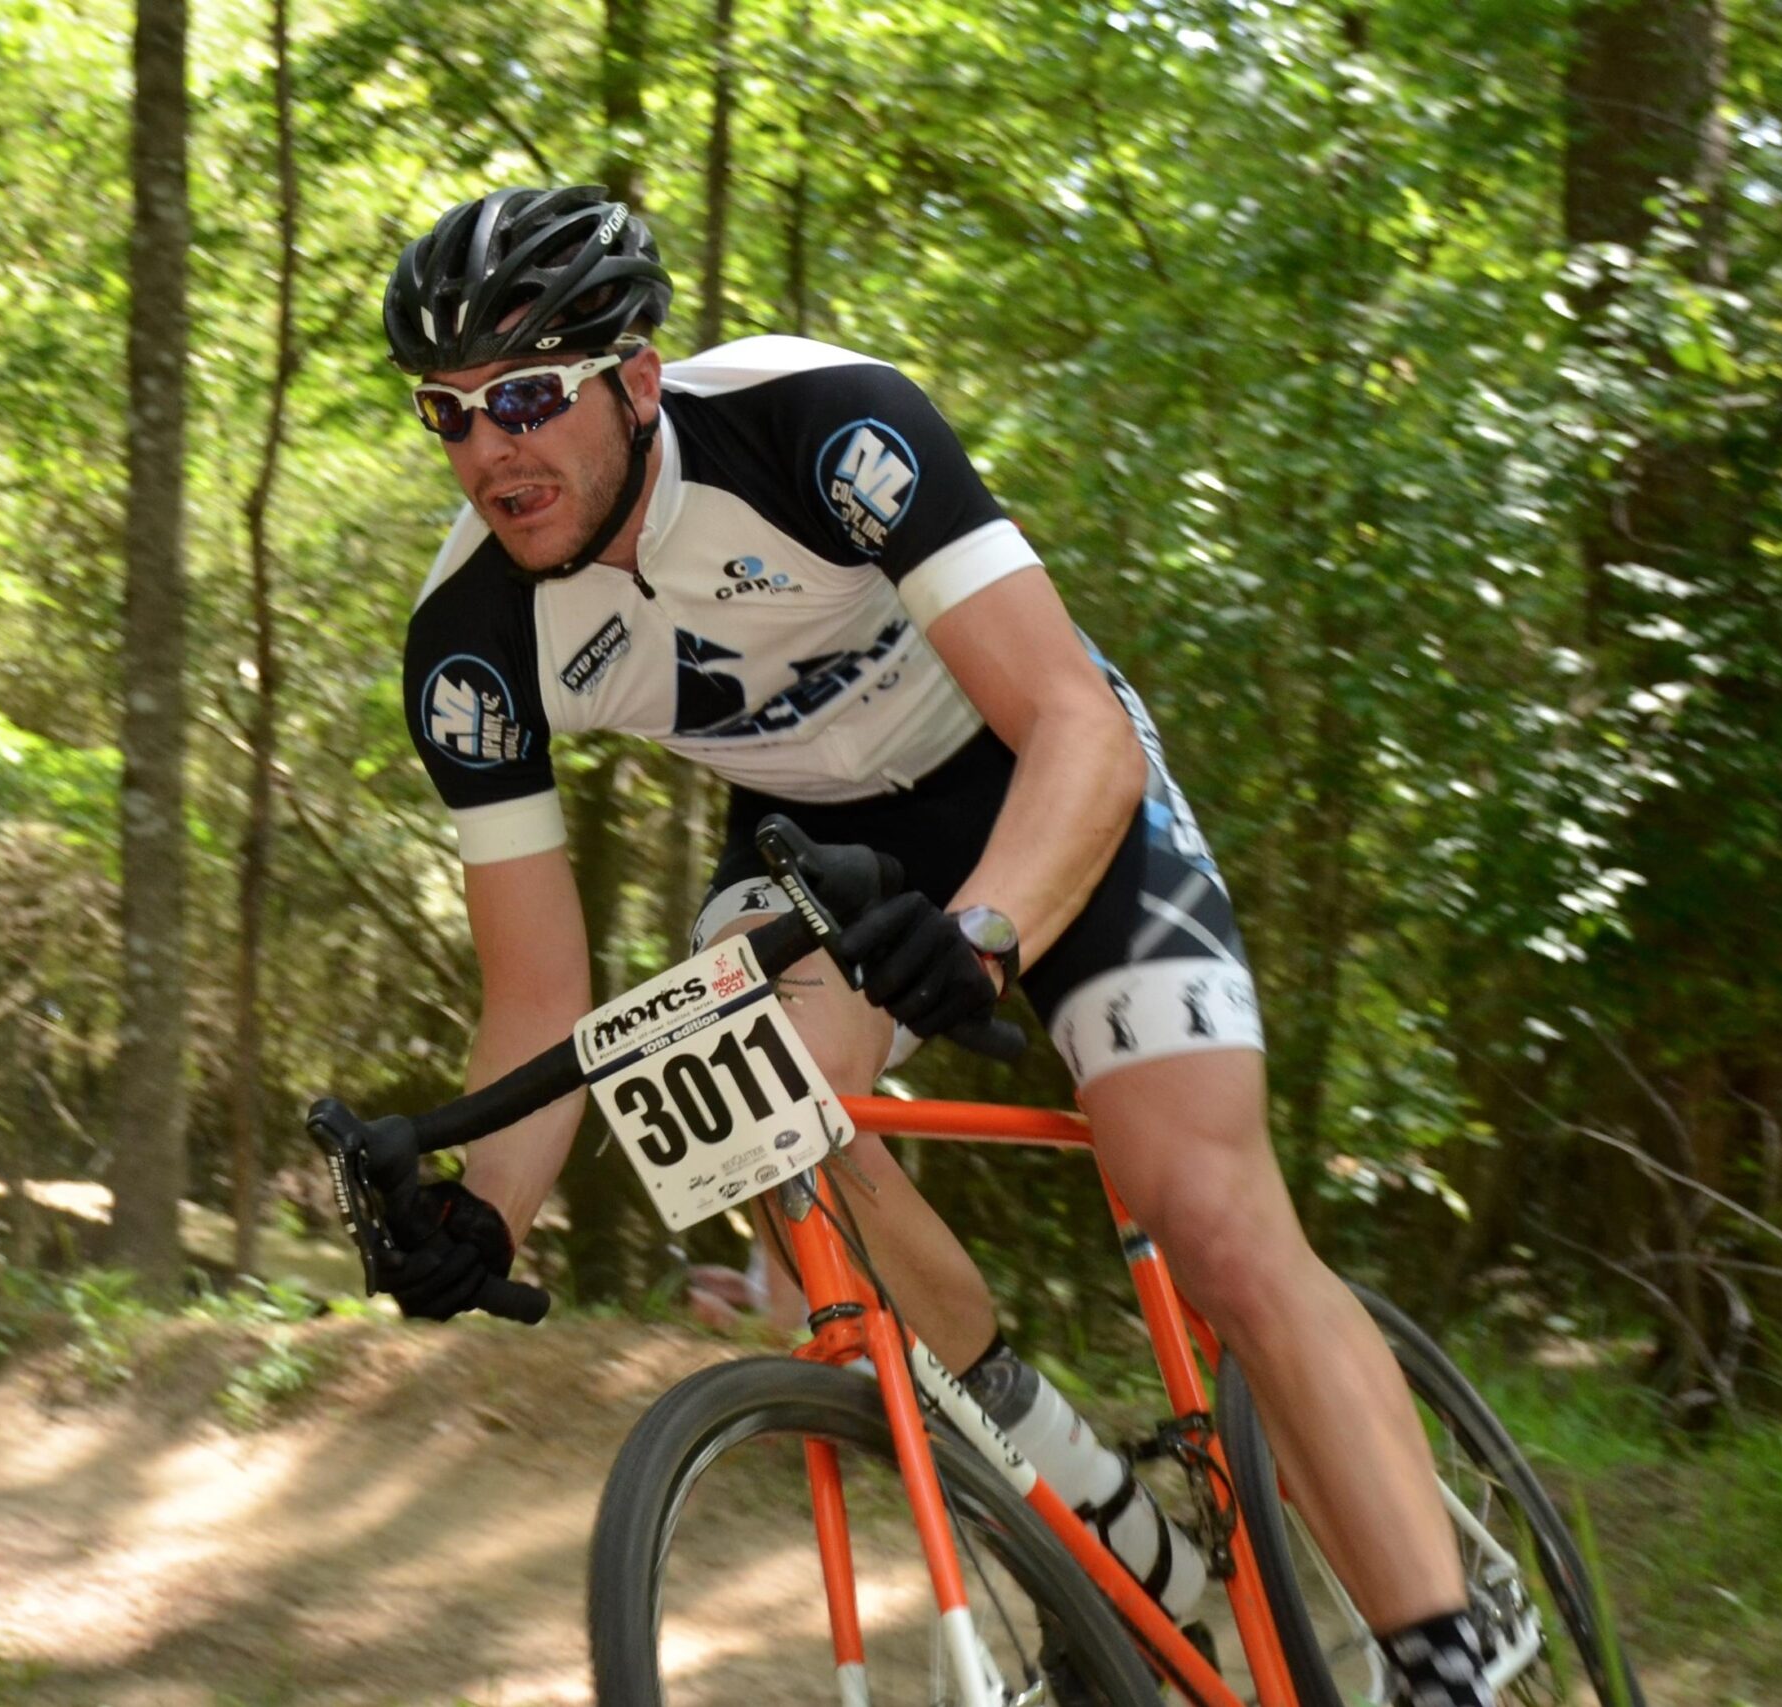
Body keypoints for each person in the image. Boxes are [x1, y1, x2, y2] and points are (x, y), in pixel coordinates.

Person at [375, 184, 1495, 1707]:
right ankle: (1098, 1542)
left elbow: (1075, 727)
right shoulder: (470, 640)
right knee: (745, 1105)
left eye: (526, 395)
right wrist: (487, 1213)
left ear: (637, 380)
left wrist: (987, 932)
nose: (491, 448)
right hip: (820, 853)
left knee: (1206, 1208)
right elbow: (537, 996)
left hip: (1037, 776)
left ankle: (1450, 1657)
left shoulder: (817, 422)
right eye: (448, 414)